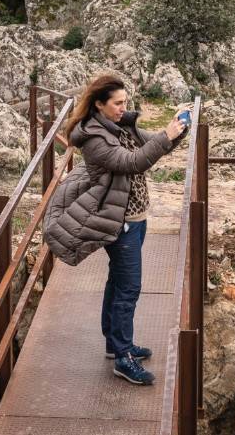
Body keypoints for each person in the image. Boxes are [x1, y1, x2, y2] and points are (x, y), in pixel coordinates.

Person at [43, 72, 189, 385]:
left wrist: (177, 129)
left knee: (118, 280)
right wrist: (166, 136)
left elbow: (154, 145)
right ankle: (123, 358)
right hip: (119, 221)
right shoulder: (94, 138)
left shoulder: (121, 124)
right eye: (117, 103)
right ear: (99, 104)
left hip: (136, 217)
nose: (123, 107)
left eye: (125, 102)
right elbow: (132, 162)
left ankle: (115, 344)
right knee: (129, 288)